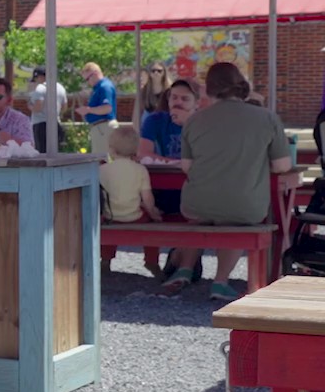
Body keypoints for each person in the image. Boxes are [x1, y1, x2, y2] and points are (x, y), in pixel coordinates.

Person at [160, 62, 293, 302]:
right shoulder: (267, 118)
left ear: (207, 90)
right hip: (245, 206)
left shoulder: (194, 120)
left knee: (202, 215)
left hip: (197, 203)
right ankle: (220, 282)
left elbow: (187, 167)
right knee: (237, 217)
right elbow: (282, 166)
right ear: (241, 86)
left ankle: (184, 270)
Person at [101, 126, 161, 225]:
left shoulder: (101, 170)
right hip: (134, 218)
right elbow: (147, 199)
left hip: (110, 217)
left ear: (111, 149)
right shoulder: (141, 170)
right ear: (136, 149)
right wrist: (154, 215)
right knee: (148, 209)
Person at [75, 62, 117, 153]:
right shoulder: (98, 88)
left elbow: (107, 108)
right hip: (100, 127)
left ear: (95, 74)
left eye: (87, 79)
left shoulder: (104, 87)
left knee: (102, 159)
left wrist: (88, 110)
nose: (88, 82)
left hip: (103, 126)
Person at [28, 68, 68, 153]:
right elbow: (64, 107)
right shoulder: (60, 87)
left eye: (36, 79)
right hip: (56, 123)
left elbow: (38, 108)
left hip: (41, 124)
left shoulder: (40, 88)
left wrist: (30, 106)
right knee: (56, 152)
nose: (36, 81)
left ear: (39, 77)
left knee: (42, 152)